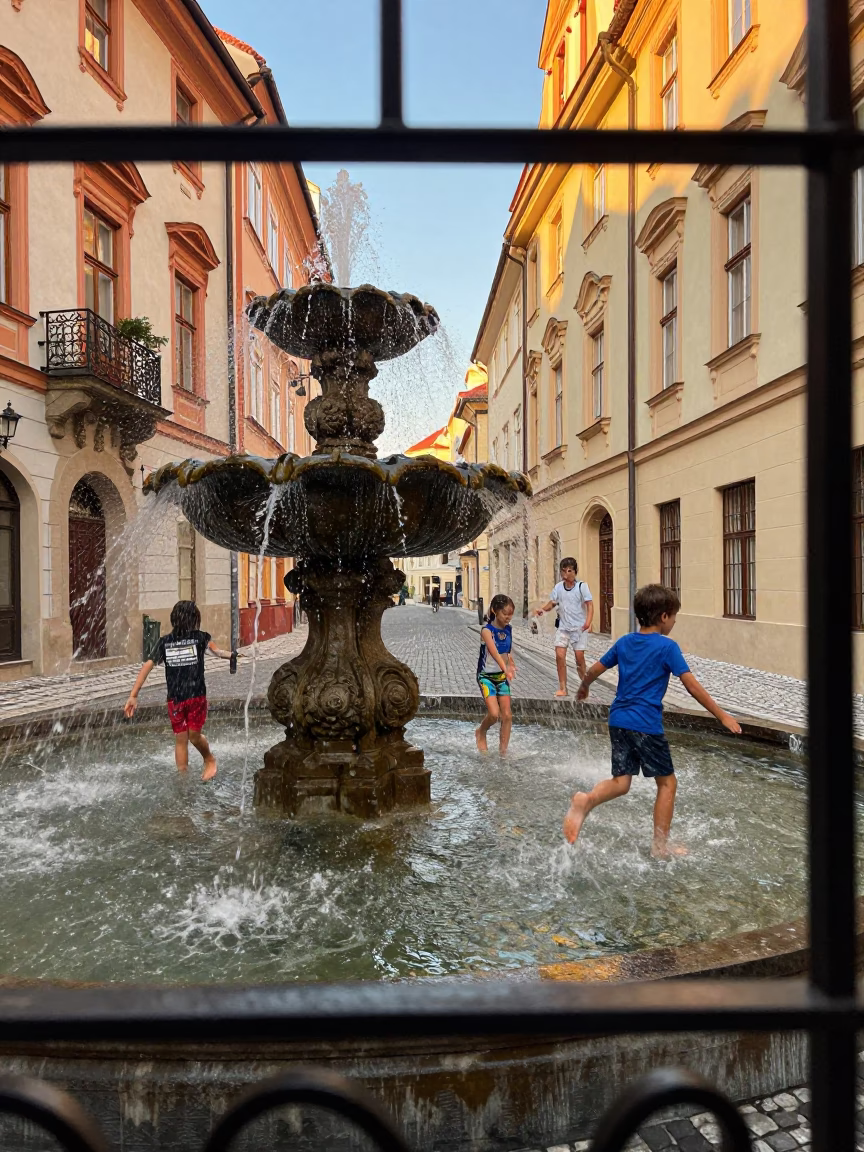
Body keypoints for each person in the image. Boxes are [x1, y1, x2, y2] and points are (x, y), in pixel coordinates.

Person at [563, 584, 742, 857]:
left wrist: (583, 686)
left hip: (619, 720)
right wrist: (722, 715)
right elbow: (691, 686)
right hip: (645, 725)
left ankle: (586, 800)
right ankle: (660, 847)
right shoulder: (667, 647)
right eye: (674, 617)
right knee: (667, 783)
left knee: (621, 782)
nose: (674, 623)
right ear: (664, 617)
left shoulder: (624, 642)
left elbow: (596, 668)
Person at [123, 600, 237, 782]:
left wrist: (233, 656)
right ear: (195, 619)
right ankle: (183, 779)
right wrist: (133, 695)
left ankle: (209, 759)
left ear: (174, 619)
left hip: (196, 697)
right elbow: (148, 666)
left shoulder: (200, 638)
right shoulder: (166, 642)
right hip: (176, 699)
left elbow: (217, 652)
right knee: (181, 738)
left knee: (193, 736)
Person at [532, 557, 594, 696]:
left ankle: (584, 684)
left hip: (579, 628)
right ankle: (563, 688)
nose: (566, 574)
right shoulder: (559, 587)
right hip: (563, 628)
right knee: (560, 656)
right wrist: (542, 610)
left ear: (575, 572)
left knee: (579, 658)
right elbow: (552, 603)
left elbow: (590, 605)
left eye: (569, 571)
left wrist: (588, 623)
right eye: (563, 571)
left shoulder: (581, 587)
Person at [475, 594, 517, 754]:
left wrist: (510, 664)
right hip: (486, 677)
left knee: (507, 715)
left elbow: (506, 651)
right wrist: (505, 668)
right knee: (494, 714)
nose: (508, 617)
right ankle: (481, 732)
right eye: (505, 613)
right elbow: (494, 652)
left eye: (511, 613)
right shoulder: (487, 631)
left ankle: (503, 751)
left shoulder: (509, 630)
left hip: (501, 677)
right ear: (495, 610)